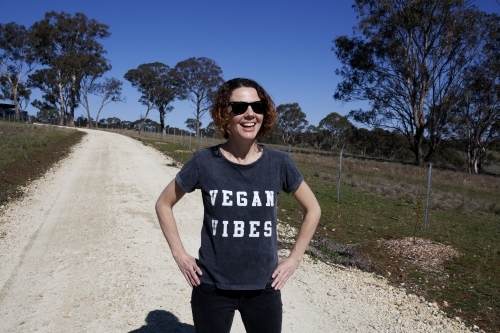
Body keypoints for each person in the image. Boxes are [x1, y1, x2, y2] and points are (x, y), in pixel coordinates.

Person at [155, 78, 321, 333]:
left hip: (265, 287)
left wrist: (294, 258)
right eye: (240, 107)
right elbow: (164, 204)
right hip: (211, 287)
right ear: (224, 113)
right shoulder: (204, 161)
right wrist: (179, 254)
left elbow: (313, 209)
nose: (250, 114)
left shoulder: (279, 163)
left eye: (258, 106)